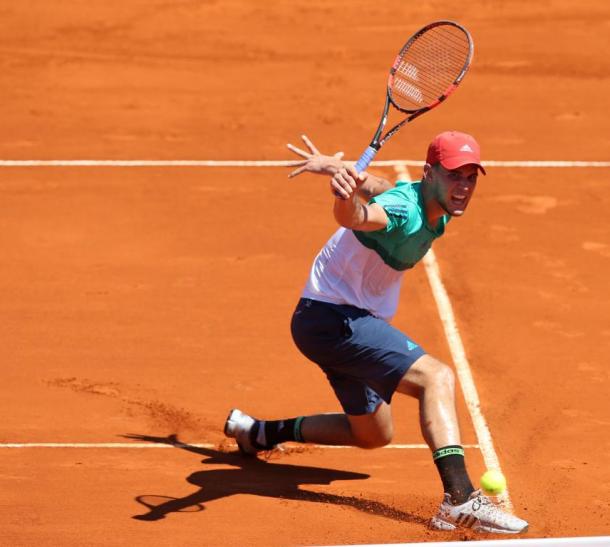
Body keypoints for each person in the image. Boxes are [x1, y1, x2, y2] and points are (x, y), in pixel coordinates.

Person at [224, 132, 528, 534]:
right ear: (430, 173)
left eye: (471, 177)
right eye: (455, 176)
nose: (464, 187)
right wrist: (343, 197)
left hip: (330, 320)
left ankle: (258, 433)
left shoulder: (420, 197)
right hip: (334, 319)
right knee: (435, 377)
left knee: (372, 433)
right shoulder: (402, 209)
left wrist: (337, 168)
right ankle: (459, 498)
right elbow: (359, 216)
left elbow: (380, 185)